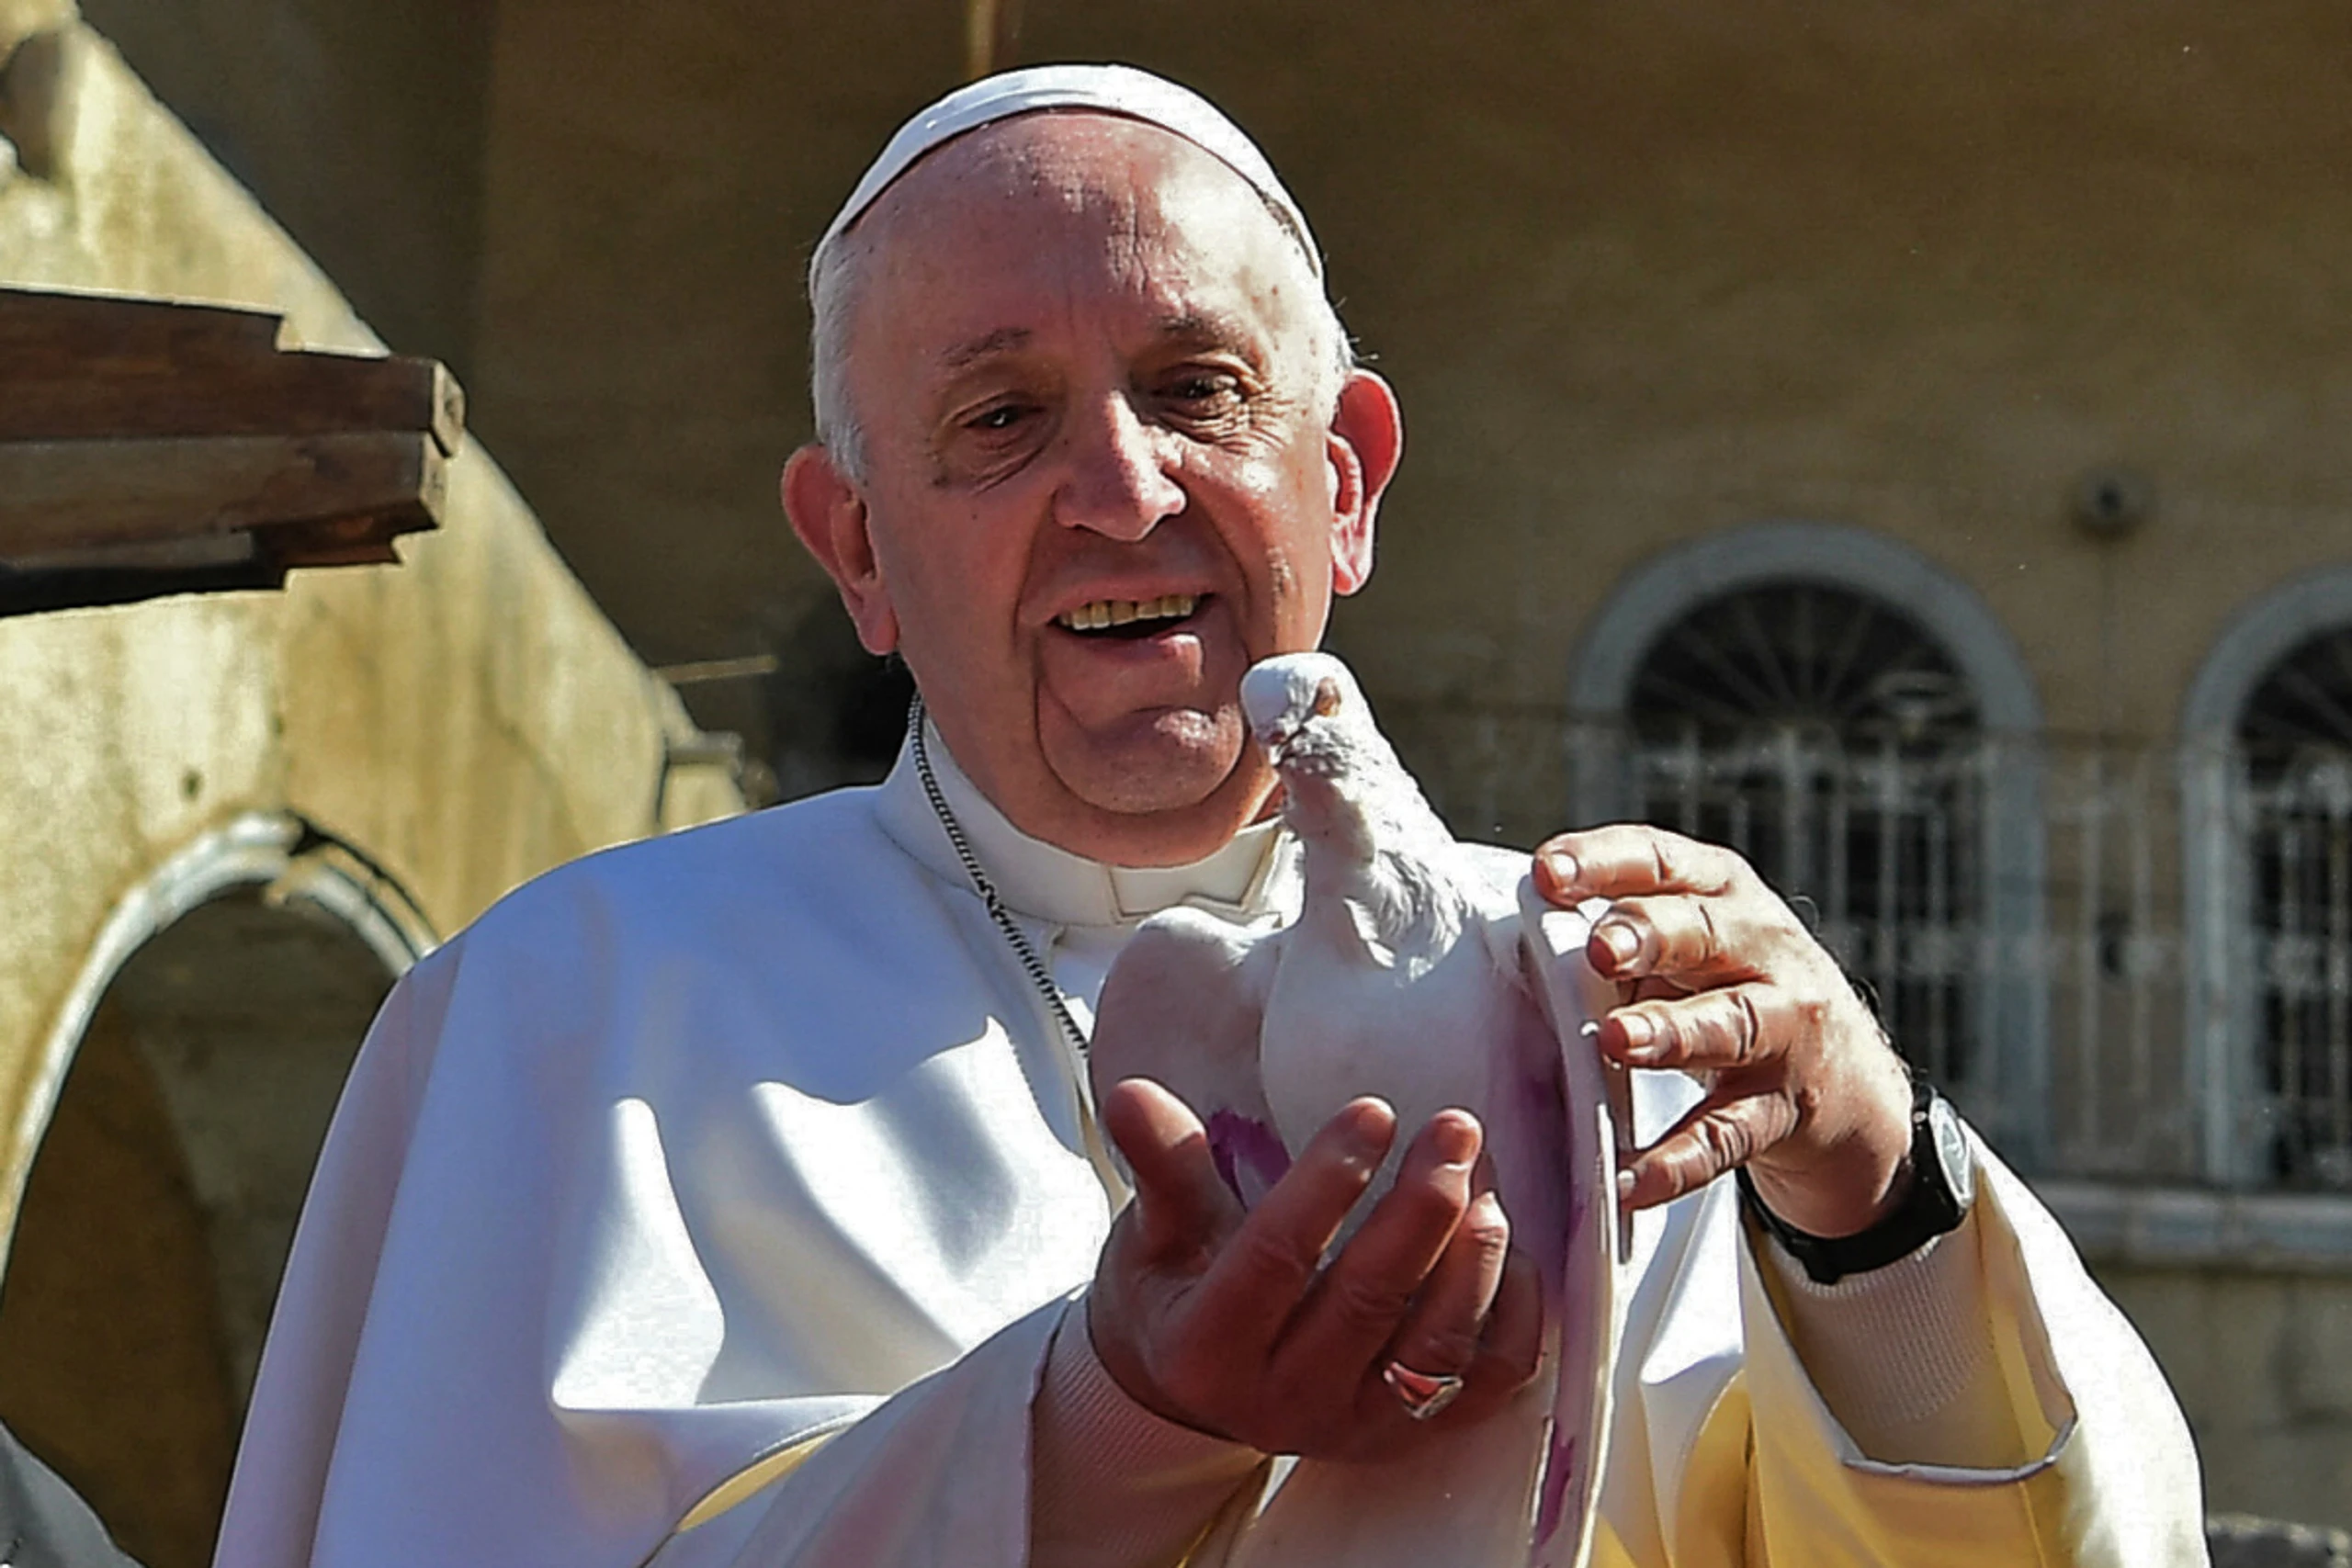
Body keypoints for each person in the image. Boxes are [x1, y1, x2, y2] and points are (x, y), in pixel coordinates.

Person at [213, 64, 2206, 1568]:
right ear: (859, 550)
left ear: (1343, 483)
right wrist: (1108, 1424)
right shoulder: (565, 1015)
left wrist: (1870, 1192)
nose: (1121, 489)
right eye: (1000, 419)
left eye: (1195, 389)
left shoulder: (1616, 1015)